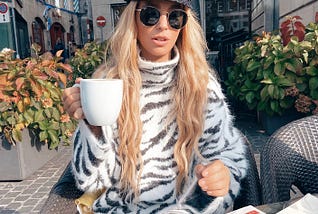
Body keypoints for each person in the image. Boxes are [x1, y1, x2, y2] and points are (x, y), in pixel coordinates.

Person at [62, 0, 248, 213]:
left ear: (184, 25)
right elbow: (90, 180)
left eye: (175, 16)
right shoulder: (107, 84)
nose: (163, 25)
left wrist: (223, 174)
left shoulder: (202, 86)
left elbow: (227, 155)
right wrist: (92, 124)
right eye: (150, 14)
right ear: (133, 18)